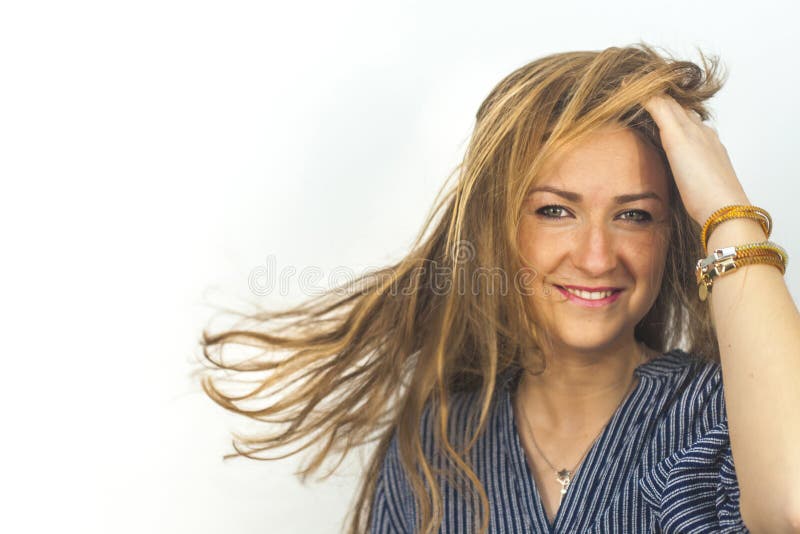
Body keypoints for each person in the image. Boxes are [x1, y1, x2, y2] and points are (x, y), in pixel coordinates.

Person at [198, 43, 800, 533]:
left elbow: (791, 505)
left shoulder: (726, 415)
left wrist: (727, 207)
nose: (596, 257)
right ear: (500, 227)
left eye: (634, 215)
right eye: (555, 211)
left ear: (673, 234)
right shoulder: (437, 450)